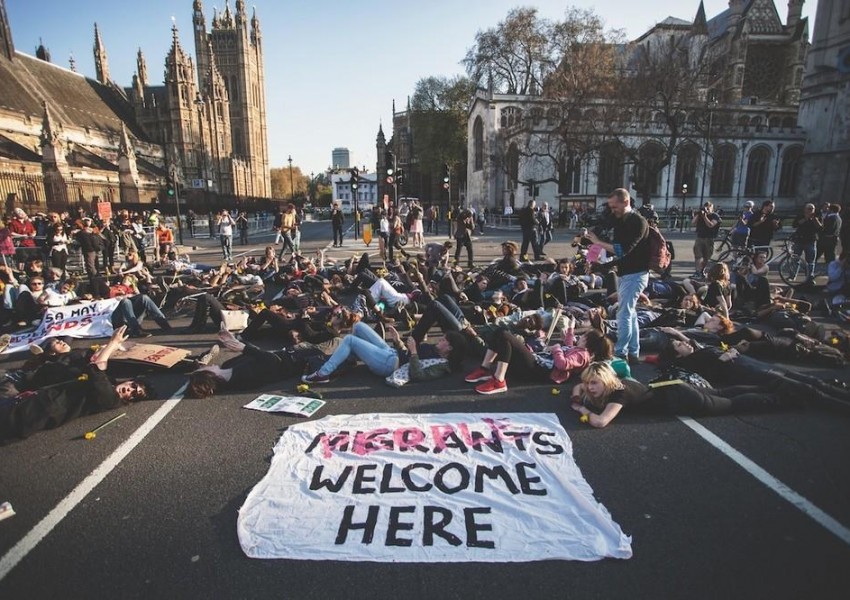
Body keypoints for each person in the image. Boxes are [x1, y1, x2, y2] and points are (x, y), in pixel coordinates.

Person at [0, 325, 153, 442]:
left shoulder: (111, 399)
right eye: (133, 386)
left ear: (130, 400)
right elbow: (94, 363)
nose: (129, 390)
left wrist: (112, 343)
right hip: (34, 397)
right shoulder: (110, 383)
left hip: (39, 411)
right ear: (130, 381)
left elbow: (97, 369)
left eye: (134, 394)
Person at [568, 362, 800, 429]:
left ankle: (786, 398)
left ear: (606, 381)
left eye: (594, 383)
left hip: (682, 398)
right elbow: (578, 387)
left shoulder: (619, 394)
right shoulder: (613, 384)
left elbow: (600, 422)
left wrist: (582, 409)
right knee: (722, 392)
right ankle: (774, 386)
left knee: (731, 403)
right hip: (673, 387)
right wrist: (579, 395)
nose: (589, 388)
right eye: (588, 383)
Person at [585, 188, 649, 364]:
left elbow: (622, 250)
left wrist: (598, 243)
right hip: (628, 273)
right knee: (630, 313)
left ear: (626, 202)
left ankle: (621, 353)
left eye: (615, 207)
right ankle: (634, 352)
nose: (613, 210)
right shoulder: (621, 220)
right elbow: (618, 249)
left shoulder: (638, 222)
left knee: (624, 314)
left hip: (636, 274)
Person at [302, 321, 465, 383]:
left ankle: (323, 373)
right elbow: (405, 352)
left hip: (389, 364)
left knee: (349, 340)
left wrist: (414, 351)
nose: (440, 340)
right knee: (358, 326)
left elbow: (418, 375)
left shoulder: (442, 365)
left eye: (444, 340)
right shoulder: (435, 349)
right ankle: (349, 357)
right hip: (392, 352)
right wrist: (397, 340)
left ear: (449, 348)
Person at [792, 203, 823, 281]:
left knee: (810, 261)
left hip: (811, 241)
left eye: (812, 209)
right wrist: (805, 219)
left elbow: (821, 229)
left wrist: (815, 220)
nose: (810, 210)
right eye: (809, 208)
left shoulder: (817, 217)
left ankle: (809, 276)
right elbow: (794, 225)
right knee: (795, 259)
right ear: (805, 209)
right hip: (799, 240)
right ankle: (792, 275)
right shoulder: (800, 216)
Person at [691, 201, 721, 276]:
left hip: (709, 239)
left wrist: (705, 217)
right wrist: (699, 214)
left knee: (706, 257)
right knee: (698, 256)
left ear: (712, 209)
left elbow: (710, 225)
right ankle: (697, 271)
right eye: (705, 208)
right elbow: (693, 222)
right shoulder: (700, 215)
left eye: (708, 208)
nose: (706, 210)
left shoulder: (715, 216)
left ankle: (701, 270)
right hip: (700, 237)